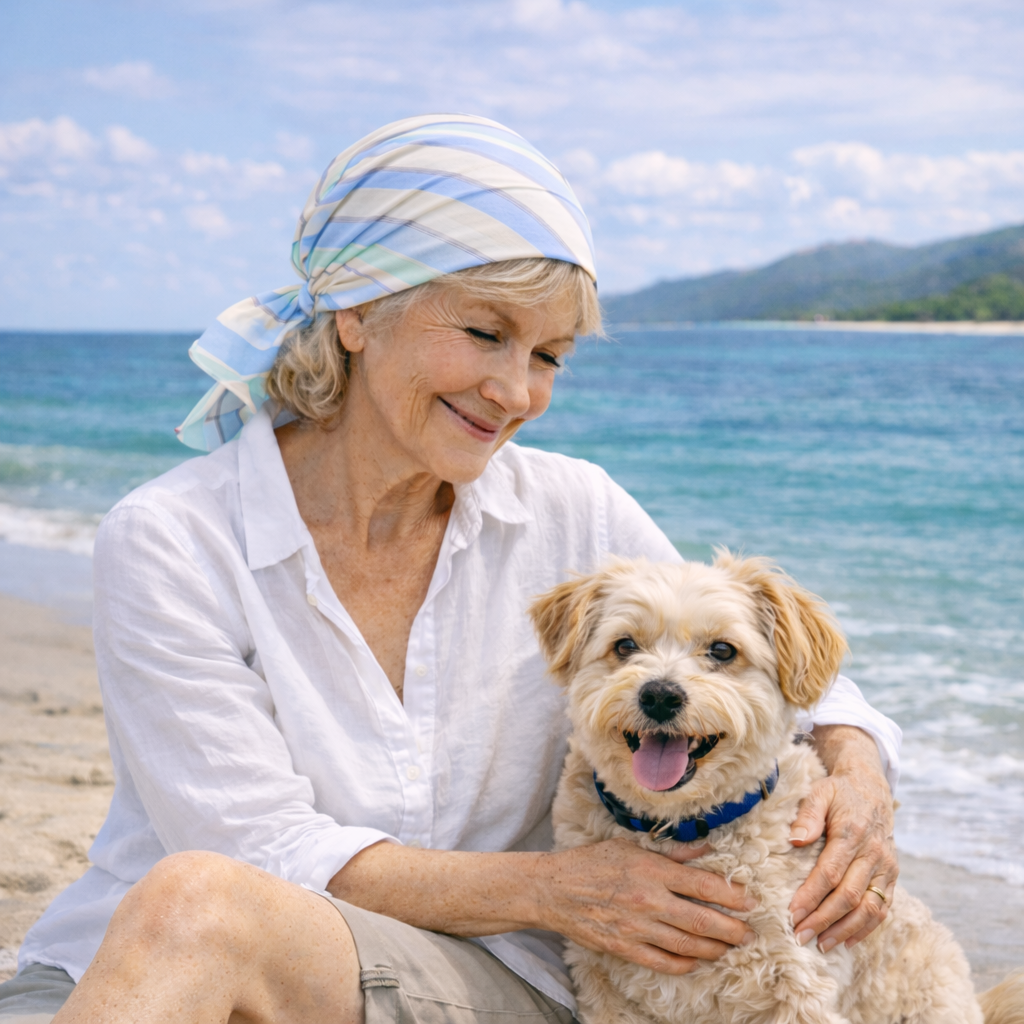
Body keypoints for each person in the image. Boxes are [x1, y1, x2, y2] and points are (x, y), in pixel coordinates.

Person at [0, 114, 901, 1024]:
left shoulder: (574, 509)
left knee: (201, 906)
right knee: (197, 902)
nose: (517, 392)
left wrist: (856, 779)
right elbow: (262, 848)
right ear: (355, 313)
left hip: (485, 986)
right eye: (484, 333)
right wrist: (554, 889)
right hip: (152, 966)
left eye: (548, 355)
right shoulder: (171, 538)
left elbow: (782, 666)